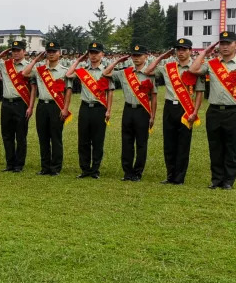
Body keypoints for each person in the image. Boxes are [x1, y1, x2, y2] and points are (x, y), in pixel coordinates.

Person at [190, 30, 236, 189]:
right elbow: (193, 70)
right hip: (214, 111)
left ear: (235, 45)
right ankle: (216, 179)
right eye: (222, 44)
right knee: (215, 147)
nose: (225, 47)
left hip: (233, 112)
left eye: (228, 43)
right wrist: (204, 52)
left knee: (232, 147)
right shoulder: (212, 64)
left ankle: (228, 181)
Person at [143, 38, 206, 185]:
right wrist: (162, 56)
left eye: (184, 49)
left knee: (183, 144)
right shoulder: (168, 67)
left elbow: (199, 93)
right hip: (170, 107)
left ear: (190, 51)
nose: (181, 52)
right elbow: (148, 70)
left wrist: (195, 112)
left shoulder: (195, 69)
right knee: (169, 143)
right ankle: (170, 175)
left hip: (186, 109)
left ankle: (179, 177)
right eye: (178, 49)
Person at [103, 44, 157, 182]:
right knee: (126, 142)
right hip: (128, 110)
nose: (136, 58)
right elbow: (106, 73)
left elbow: (154, 96)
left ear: (146, 56)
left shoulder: (150, 73)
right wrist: (117, 61)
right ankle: (127, 172)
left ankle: (138, 172)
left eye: (139, 55)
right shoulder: (125, 72)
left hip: (142, 111)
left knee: (141, 143)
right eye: (134, 55)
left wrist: (153, 116)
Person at [21, 40, 72, 176]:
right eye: (48, 52)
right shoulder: (40, 70)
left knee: (55, 137)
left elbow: (68, 91)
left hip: (56, 106)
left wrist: (65, 108)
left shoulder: (64, 71)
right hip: (42, 106)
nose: (51, 54)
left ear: (59, 53)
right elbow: (25, 73)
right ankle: (45, 167)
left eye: (53, 51)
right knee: (43, 138)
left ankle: (55, 167)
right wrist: (36, 59)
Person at [66, 42, 113, 179]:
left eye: (96, 53)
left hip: (99, 108)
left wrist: (109, 110)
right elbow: (69, 74)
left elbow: (110, 92)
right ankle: (85, 169)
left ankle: (95, 170)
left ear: (102, 54)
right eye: (91, 53)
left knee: (98, 140)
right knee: (83, 140)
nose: (93, 56)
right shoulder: (83, 70)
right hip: (85, 107)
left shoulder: (106, 71)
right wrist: (79, 60)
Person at [0, 40, 32, 172]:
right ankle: (10, 163)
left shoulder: (29, 66)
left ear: (24, 51)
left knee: (21, 136)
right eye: (13, 50)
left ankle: (19, 165)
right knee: (7, 135)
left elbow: (33, 87)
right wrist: (1, 54)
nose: (16, 53)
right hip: (6, 104)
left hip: (21, 103)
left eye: (18, 50)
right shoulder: (5, 65)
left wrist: (30, 106)